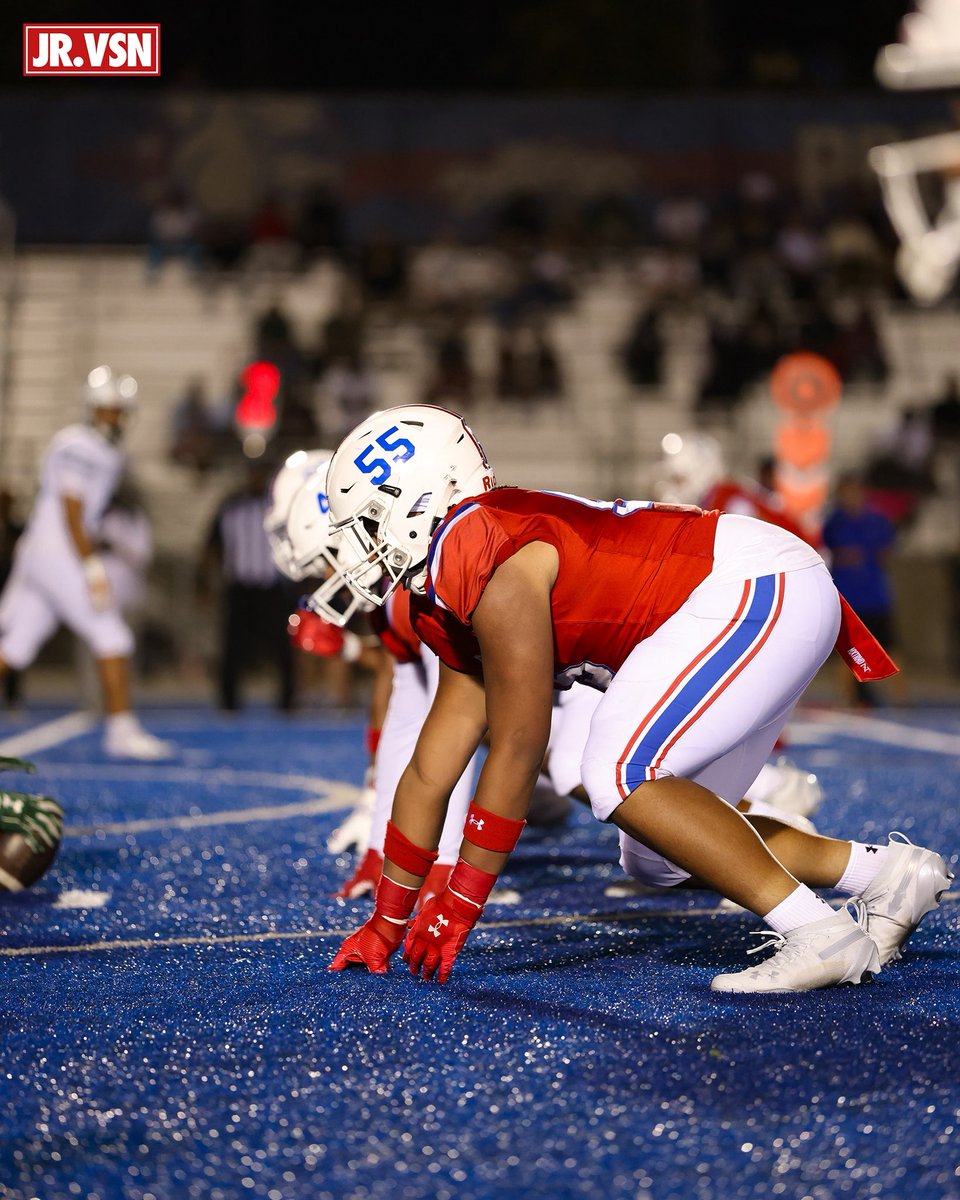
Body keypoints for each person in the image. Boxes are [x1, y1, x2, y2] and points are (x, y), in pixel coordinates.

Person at [324, 404, 951, 993]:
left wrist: (460, 903)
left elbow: (519, 745)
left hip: (748, 583)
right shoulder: (454, 579)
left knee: (617, 772)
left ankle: (819, 934)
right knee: (657, 856)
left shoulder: (475, 542)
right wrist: (388, 918)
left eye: (366, 523)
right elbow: (434, 766)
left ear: (418, 501)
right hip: (757, 593)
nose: (357, 546)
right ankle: (885, 877)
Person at [0, 367, 174, 759]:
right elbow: (72, 510)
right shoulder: (78, 445)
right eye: (114, 410)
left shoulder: (101, 450)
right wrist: (91, 567)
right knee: (112, 635)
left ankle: (121, 730)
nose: (121, 418)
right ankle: (121, 731)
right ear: (96, 410)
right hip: (55, 550)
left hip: (47, 550)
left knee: (17, 647)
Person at [197, 458, 299, 713]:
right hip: (241, 587)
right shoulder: (231, 508)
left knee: (282, 648)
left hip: (272, 587)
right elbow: (212, 547)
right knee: (233, 648)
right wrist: (203, 582)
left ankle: (288, 701)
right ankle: (229, 702)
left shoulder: (280, 508)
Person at [821, 472, 901, 708]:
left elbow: (886, 553)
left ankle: (900, 699)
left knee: (890, 646)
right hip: (848, 597)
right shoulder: (835, 522)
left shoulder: (877, 521)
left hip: (875, 596)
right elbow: (830, 549)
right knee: (848, 652)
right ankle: (847, 698)